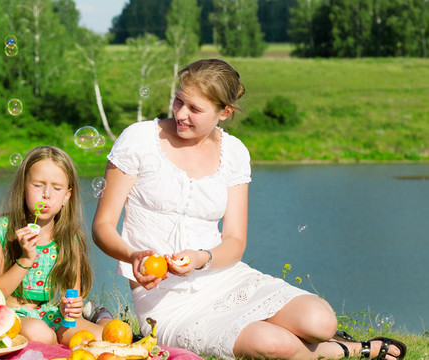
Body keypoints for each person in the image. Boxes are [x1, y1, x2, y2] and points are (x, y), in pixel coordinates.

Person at [91, 59, 407, 360]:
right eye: (178, 101)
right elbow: (102, 226)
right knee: (273, 344)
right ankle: (350, 350)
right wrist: (133, 256)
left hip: (225, 279)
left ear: (225, 112)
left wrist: (202, 258)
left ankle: (320, 339)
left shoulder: (234, 154)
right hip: (165, 302)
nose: (181, 114)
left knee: (321, 321)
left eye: (195, 108)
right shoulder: (139, 140)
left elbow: (234, 242)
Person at [0, 146, 112, 346]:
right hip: (13, 316)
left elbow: (71, 296)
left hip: (54, 315)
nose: (47, 194)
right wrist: (25, 260)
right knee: (40, 334)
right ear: (23, 186)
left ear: (66, 196)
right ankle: (93, 316)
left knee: (108, 337)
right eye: (38, 185)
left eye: (57, 188)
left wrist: (72, 307)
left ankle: (97, 314)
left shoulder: (70, 238)